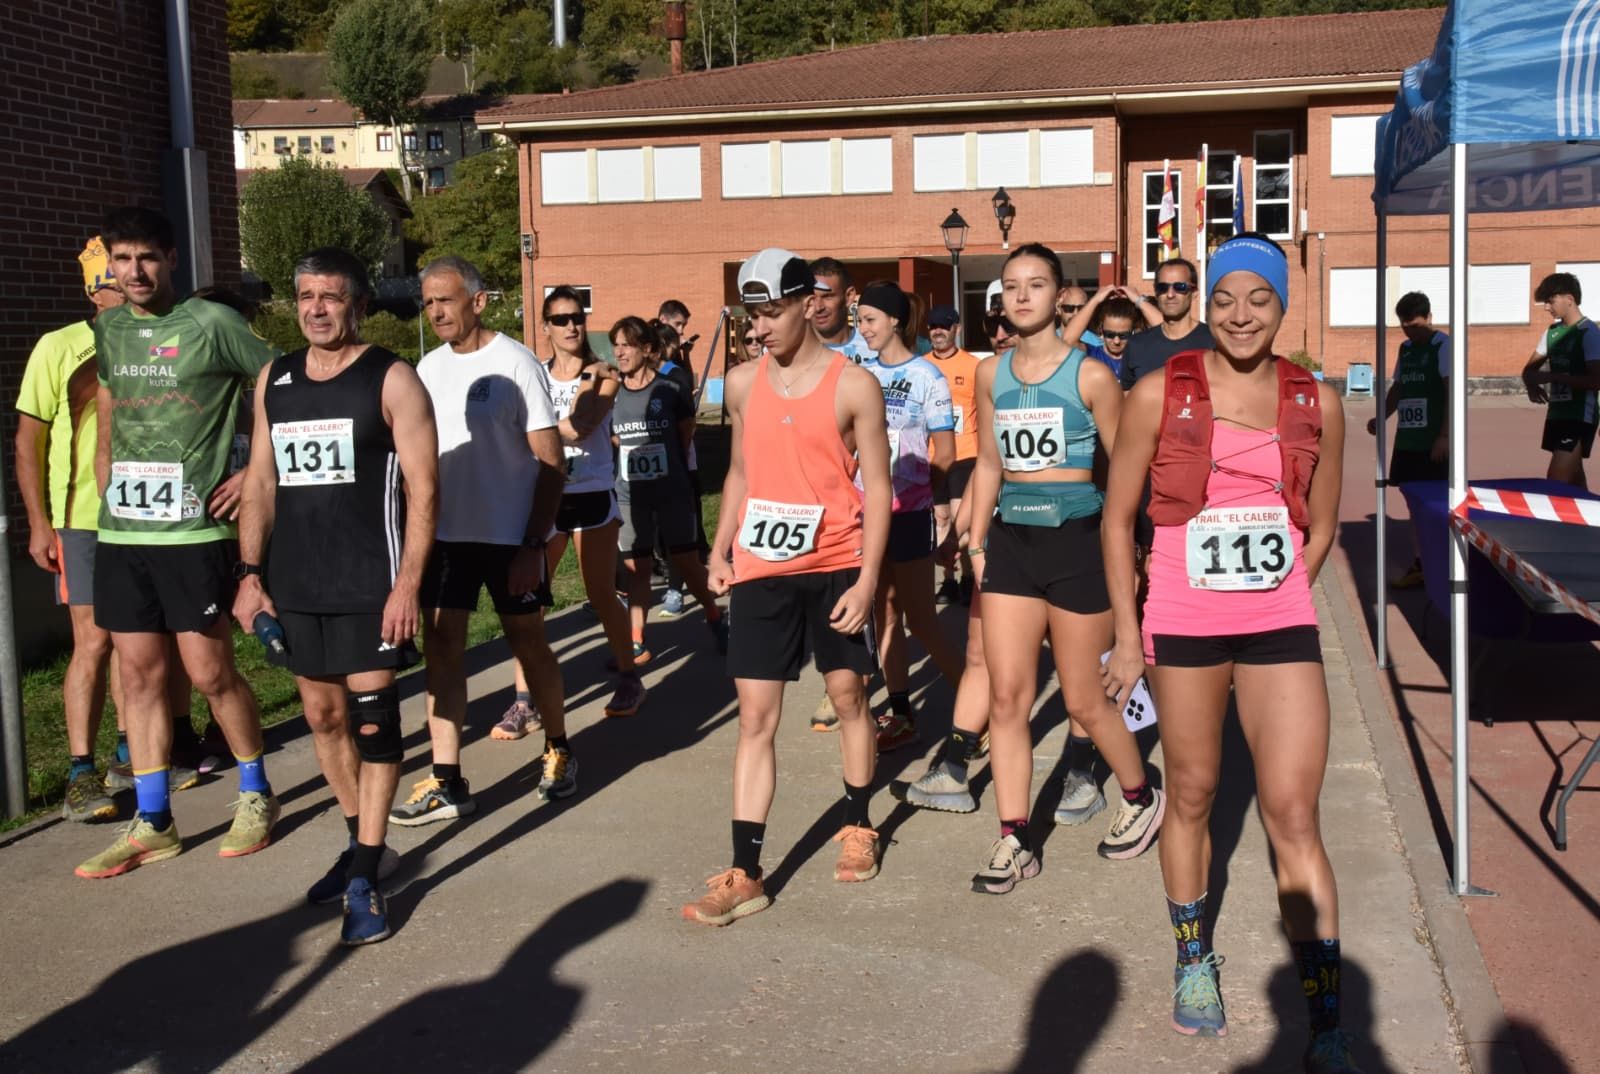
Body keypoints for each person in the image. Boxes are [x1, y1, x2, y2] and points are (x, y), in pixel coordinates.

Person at [1101, 234, 1354, 1069]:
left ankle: (1326, 1014)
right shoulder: (1154, 392)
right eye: (1225, 299)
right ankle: (1191, 961)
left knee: (1291, 811)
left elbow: (1319, 523)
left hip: (1278, 623)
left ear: (1284, 307)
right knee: (1195, 793)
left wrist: (1281, 587)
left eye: (1260, 300)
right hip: (1182, 618)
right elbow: (1116, 519)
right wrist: (1131, 637)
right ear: (1205, 305)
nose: (1240, 315)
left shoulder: (1318, 399)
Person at [681, 248, 890, 926]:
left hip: (834, 563)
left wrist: (866, 580)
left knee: (848, 695)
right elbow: (740, 470)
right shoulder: (742, 384)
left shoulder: (855, 385)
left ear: (810, 303)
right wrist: (720, 547)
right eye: (754, 314)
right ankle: (746, 872)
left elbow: (880, 491)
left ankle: (859, 823)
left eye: (773, 311)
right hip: (763, 571)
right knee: (754, 719)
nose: (762, 326)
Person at [233, 248, 436, 945]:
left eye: (332, 297)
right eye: (306, 296)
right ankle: (363, 843)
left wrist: (408, 583)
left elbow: (424, 490)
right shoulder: (276, 379)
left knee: (375, 723)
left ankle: (365, 877)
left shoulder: (392, 378)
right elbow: (259, 483)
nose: (317, 309)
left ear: (358, 304)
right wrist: (248, 575)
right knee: (322, 720)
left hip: (370, 583)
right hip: (296, 581)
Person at [76, 207, 280, 879]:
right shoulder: (108, 328)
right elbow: (108, 408)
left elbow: (279, 386)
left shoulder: (212, 324)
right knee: (138, 675)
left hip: (193, 532)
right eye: (122, 259)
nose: (134, 272)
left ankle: (254, 792)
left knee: (209, 672)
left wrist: (251, 471)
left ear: (171, 259)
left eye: (148, 258)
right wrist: (105, 480)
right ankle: (154, 821)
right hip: (124, 531)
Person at [959, 243, 1164, 894]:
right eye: (1011, 285)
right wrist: (975, 541)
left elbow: (1126, 470)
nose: (1022, 296)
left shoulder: (1092, 376)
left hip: (1077, 540)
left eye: (1036, 284)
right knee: (1007, 699)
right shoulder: (992, 375)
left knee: (1084, 697)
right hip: (1013, 546)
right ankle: (1014, 837)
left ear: (1058, 295)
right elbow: (990, 463)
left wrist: (1134, 554)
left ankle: (1137, 792)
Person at [396, 256, 570, 825]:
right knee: (443, 649)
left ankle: (560, 749)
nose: (436, 311)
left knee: (528, 644)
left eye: (445, 299)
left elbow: (551, 463)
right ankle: (447, 779)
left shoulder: (515, 363)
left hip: (509, 536)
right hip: (446, 535)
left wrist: (532, 544)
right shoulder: (425, 368)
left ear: (479, 300)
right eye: (427, 302)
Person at [16, 237, 129, 821]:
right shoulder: (58, 346)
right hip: (80, 520)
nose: (118, 286)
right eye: (108, 277)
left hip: (141, 517)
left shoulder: (156, 339)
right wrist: (39, 523)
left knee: (137, 643)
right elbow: (28, 439)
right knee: (95, 640)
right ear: (91, 286)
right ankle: (81, 771)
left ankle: (131, 755)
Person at [852, 282, 965, 752]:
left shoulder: (927, 377)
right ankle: (900, 711)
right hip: (865, 512)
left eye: (871, 320)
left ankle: (973, 708)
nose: (864, 329)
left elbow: (947, 449)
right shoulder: (858, 373)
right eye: (859, 321)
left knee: (922, 619)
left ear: (896, 320)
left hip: (910, 512)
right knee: (883, 614)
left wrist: (924, 493)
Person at [532, 285, 644, 720]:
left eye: (577, 316)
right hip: (546, 495)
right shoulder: (536, 375)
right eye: (560, 319)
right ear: (546, 327)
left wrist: (532, 427)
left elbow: (582, 426)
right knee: (532, 600)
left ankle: (629, 676)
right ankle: (526, 700)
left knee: (600, 594)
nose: (571, 326)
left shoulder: (605, 374)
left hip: (592, 495)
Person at [611, 316, 728, 660]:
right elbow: (611, 437)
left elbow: (685, 432)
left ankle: (714, 616)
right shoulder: (611, 392)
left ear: (646, 349)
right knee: (637, 569)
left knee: (687, 564)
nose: (619, 352)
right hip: (631, 496)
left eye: (626, 345)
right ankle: (636, 640)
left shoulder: (670, 389)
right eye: (615, 345)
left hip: (671, 491)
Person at [1367, 291, 1450, 587]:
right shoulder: (1405, 349)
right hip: (1408, 441)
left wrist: (1444, 436)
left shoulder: (1443, 346)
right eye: (1405, 326)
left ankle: (1443, 561)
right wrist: (1382, 416)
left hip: (1434, 442)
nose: (1410, 331)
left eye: (1415, 325)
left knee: (1437, 503)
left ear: (1429, 318)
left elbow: (1451, 392)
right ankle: (1421, 563)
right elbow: (1399, 389)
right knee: (1412, 501)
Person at [650, 320, 707, 621]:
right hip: (644, 474)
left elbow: (687, 425)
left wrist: (680, 461)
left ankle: (681, 589)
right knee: (652, 535)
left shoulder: (675, 378)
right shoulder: (633, 379)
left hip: (678, 469)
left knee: (679, 537)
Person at [1522, 272, 1600, 489]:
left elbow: (1596, 381)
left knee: (1556, 481)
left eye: (1550, 300)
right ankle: (1591, 521)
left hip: (1580, 416)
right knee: (1575, 481)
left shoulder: (1589, 332)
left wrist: (1554, 377)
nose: (1547, 307)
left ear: (1570, 299)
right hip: (1557, 414)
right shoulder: (1552, 333)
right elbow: (1528, 370)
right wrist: (1531, 384)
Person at [926, 303, 982, 606]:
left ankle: (969, 576)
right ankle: (948, 579)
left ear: (956, 329)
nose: (938, 332)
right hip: (934, 456)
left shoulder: (973, 366)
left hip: (966, 452)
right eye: (933, 326)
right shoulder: (921, 365)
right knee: (941, 517)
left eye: (944, 326)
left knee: (964, 518)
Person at [1119, 258, 1215, 390]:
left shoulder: (1214, 341)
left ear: (1195, 293)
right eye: (1162, 288)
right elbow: (1127, 395)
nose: (1170, 294)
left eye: (1180, 287)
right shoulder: (1137, 344)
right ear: (1156, 292)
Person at [809, 257, 875, 363]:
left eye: (827, 297)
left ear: (849, 297)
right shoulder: (791, 353)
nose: (818, 307)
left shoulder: (875, 347)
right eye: (812, 298)